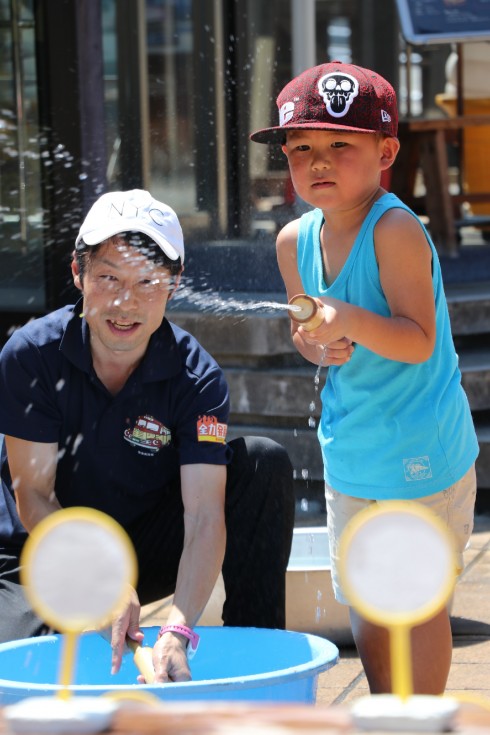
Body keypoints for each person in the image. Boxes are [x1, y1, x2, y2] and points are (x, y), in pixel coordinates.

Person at [0, 189, 295, 683]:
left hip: (142, 544)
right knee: (22, 671)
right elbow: (32, 495)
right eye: (108, 277)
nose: (125, 302)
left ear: (175, 283)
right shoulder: (31, 354)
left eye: (147, 282)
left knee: (262, 462)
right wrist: (99, 579)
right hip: (42, 548)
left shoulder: (195, 376)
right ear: (79, 275)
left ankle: (255, 660)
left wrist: (178, 630)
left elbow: (203, 516)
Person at [250, 61, 479, 695]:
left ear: (385, 152)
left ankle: (422, 712)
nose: (317, 160)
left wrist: (347, 316)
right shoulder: (293, 240)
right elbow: (312, 341)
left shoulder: (396, 229)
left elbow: (419, 339)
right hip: (352, 447)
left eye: (339, 145)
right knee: (367, 594)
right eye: (301, 148)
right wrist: (316, 345)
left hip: (419, 448)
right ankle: (387, 707)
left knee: (417, 594)